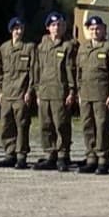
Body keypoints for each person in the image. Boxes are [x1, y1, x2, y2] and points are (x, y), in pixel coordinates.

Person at [74, 15, 109, 174]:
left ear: (104, 29)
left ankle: (103, 159)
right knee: (87, 125)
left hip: (102, 94)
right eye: (92, 29)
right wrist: (79, 92)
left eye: (98, 28)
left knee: (102, 126)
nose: (95, 31)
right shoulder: (83, 48)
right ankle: (91, 157)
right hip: (86, 94)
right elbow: (79, 72)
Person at [32, 12, 75, 171]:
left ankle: (63, 155)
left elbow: (70, 69)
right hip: (44, 91)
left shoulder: (67, 46)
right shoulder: (41, 47)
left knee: (61, 124)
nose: (57, 28)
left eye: (59, 25)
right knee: (46, 124)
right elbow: (36, 69)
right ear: (48, 27)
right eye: (54, 25)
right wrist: (36, 89)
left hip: (60, 91)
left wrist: (71, 90)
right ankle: (51, 154)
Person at [0, 17, 36, 169]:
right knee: (6, 125)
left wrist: (30, 91)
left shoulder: (29, 48)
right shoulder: (3, 49)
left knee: (22, 125)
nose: (18, 31)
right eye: (16, 29)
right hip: (6, 94)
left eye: (21, 28)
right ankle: (9, 154)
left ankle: (21, 156)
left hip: (21, 93)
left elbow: (33, 72)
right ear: (11, 30)